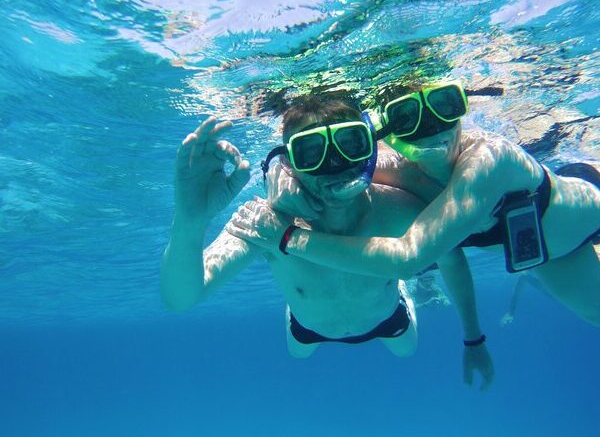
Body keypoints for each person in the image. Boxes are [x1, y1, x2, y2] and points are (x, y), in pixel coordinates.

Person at [161, 97, 494, 389]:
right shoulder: (265, 224)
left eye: (350, 144)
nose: (334, 166)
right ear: (289, 163)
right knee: (299, 355)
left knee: (407, 351)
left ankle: (404, 290)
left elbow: (452, 258)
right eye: (312, 152)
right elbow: (182, 297)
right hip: (306, 328)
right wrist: (191, 219)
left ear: (370, 148)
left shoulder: (396, 210)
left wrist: (474, 338)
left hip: (387, 318)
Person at [227, 81, 600, 327]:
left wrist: (288, 238)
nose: (433, 127)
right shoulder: (384, 167)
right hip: (551, 251)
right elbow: (320, 161)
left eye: (445, 106)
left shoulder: (490, 160)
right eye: (408, 118)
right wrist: (278, 171)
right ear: (387, 135)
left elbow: (409, 257)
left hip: (584, 210)